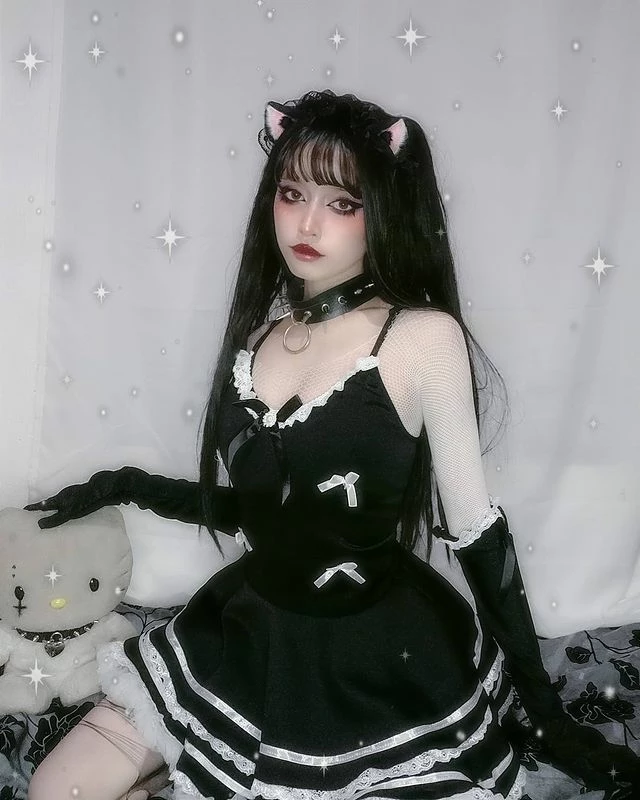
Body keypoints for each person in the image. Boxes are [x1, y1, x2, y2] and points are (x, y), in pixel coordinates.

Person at [25, 90, 640, 800]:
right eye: (292, 194)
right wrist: (126, 484)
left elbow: (477, 533)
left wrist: (547, 713)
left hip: (374, 655)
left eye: (342, 203)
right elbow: (264, 512)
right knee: (53, 790)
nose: (308, 223)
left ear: (384, 210)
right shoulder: (259, 339)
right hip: (244, 633)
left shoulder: (421, 339)